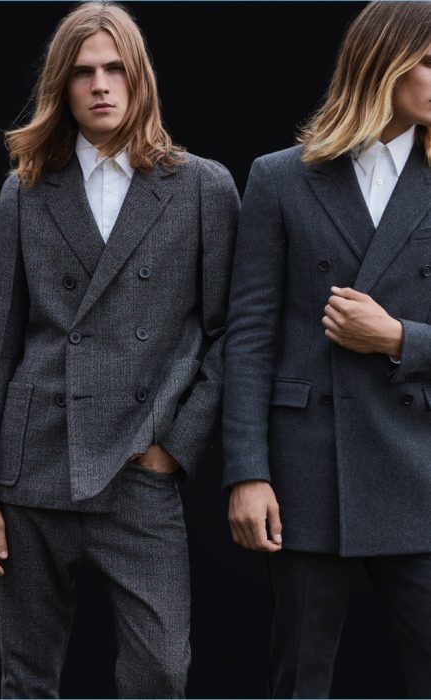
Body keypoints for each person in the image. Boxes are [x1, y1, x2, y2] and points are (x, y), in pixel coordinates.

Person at [0, 3, 239, 697]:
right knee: (26, 679)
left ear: (140, 78)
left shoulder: (202, 186)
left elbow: (228, 334)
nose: (100, 85)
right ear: (61, 87)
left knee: (161, 669)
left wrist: (173, 448)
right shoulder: (26, 189)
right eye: (83, 72)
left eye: (115, 69)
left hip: (137, 469)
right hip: (34, 465)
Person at [222, 2, 431, 697]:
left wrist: (397, 338)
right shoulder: (280, 177)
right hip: (307, 472)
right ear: (381, 63)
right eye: (430, 62)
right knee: (300, 680)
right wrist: (247, 472)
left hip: (419, 464)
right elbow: (249, 337)